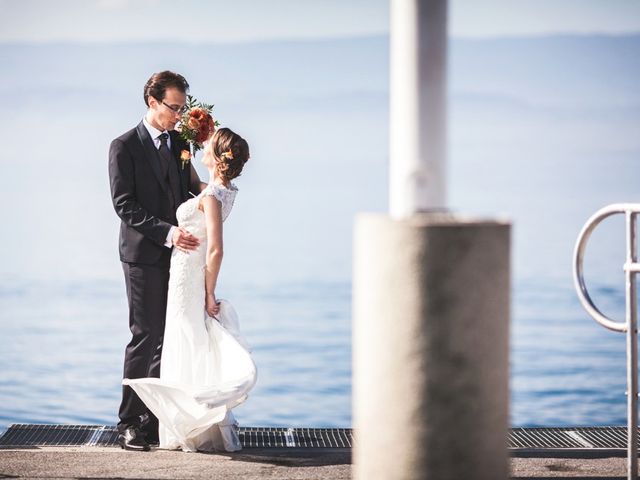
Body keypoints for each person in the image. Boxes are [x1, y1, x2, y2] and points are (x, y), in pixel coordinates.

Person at [123, 127, 256, 453]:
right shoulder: (219, 190)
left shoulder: (211, 196)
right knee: (185, 339)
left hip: (190, 278)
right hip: (184, 272)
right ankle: (174, 421)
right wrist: (194, 134)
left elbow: (216, 249)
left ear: (218, 156)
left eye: (208, 146)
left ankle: (183, 424)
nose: (203, 148)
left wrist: (210, 292)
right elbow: (190, 167)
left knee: (183, 340)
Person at [109, 71, 207, 451]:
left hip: (179, 256)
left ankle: (153, 419)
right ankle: (129, 422)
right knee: (144, 335)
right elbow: (124, 205)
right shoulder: (123, 146)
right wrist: (168, 232)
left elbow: (185, 187)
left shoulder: (180, 142)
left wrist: (216, 187)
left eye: (183, 108)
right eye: (174, 108)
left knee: (168, 338)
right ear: (153, 102)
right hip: (142, 254)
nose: (180, 115)